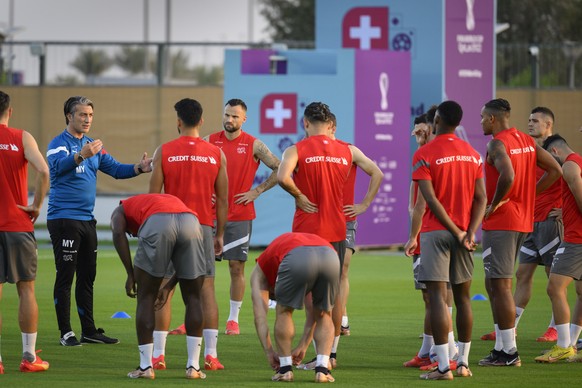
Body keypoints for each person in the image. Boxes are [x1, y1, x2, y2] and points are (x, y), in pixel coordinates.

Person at [278, 102, 381, 368]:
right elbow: (377, 172)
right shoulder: (348, 151)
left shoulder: (296, 149)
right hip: (337, 230)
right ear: (330, 126)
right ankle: (325, 359)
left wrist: (299, 196)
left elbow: (282, 177)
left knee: (297, 301)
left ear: (305, 123)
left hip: (306, 233)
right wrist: (364, 205)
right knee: (328, 299)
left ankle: (291, 359)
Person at [46, 96, 152, 347]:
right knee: (66, 276)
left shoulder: (94, 146)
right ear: (69, 116)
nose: (87, 119)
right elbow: (57, 168)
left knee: (87, 276)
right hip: (64, 219)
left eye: (90, 115)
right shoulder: (58, 144)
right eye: (82, 114)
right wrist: (80, 156)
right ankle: (66, 333)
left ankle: (89, 331)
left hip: (86, 221)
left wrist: (139, 167)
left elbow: (115, 169)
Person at [478, 98, 561, 367]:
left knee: (500, 285)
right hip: (522, 221)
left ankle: (509, 352)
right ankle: (502, 347)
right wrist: (527, 195)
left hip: (502, 222)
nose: (480, 122)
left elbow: (508, 176)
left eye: (482, 117)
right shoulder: (526, 140)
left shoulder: (496, 143)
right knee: (496, 284)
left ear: (492, 119)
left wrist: (496, 202)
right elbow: (555, 169)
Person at [149, 98, 228, 371]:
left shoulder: (165, 151)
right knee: (205, 289)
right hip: (202, 227)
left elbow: (153, 196)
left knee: (164, 288)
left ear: (179, 121)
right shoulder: (216, 154)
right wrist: (220, 235)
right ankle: (211, 355)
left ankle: (158, 355)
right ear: (202, 121)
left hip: (169, 224)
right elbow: (223, 200)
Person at [410, 100, 486, 380]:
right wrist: (470, 231)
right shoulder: (472, 153)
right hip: (465, 233)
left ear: (437, 121)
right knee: (464, 297)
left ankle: (444, 367)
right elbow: (482, 198)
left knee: (439, 300)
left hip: (435, 232)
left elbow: (428, 199)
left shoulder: (425, 153)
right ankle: (463, 364)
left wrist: (454, 231)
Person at [110, 193, 207, 379]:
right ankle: (194, 368)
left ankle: (146, 367)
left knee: (145, 298)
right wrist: (169, 286)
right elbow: (182, 266)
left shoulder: (120, 209)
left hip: (158, 223)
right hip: (191, 222)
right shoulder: (156, 201)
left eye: (132, 233)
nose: (133, 233)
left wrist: (130, 273)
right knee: (194, 298)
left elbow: (116, 231)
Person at [206, 98, 280, 336]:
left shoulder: (254, 145)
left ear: (244, 119)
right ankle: (195, 318)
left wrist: (257, 191)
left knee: (236, 268)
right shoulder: (209, 141)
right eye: (227, 115)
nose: (229, 119)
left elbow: (280, 168)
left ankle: (233, 320)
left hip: (240, 215)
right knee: (200, 269)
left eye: (235, 116)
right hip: (209, 216)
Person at [403, 107, 460, 372]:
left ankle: (447, 353)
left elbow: (423, 203)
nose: (418, 133)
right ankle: (429, 351)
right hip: (435, 232)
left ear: (433, 125)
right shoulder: (426, 152)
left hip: (430, 234)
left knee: (438, 295)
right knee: (432, 296)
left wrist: (413, 236)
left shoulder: (431, 155)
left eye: (422, 128)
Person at [0, 90, 50, 373]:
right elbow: (44, 171)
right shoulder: (22, 137)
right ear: (10, 111)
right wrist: (36, 205)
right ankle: (29, 357)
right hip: (19, 224)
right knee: (26, 291)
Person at [251, 232, 340, 383]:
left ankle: (285, 370)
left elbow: (260, 317)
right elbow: (313, 311)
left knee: (284, 311)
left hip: (297, 257)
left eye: (272, 296)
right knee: (324, 314)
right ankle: (322, 370)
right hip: (329, 255)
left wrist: (269, 352)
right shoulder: (277, 255)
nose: (273, 298)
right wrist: (303, 345)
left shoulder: (259, 272)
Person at [534, 135, 582, 363]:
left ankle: (563, 346)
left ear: (553, 152)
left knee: (555, 287)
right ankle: (572, 343)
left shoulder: (571, 165)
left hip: (576, 239)